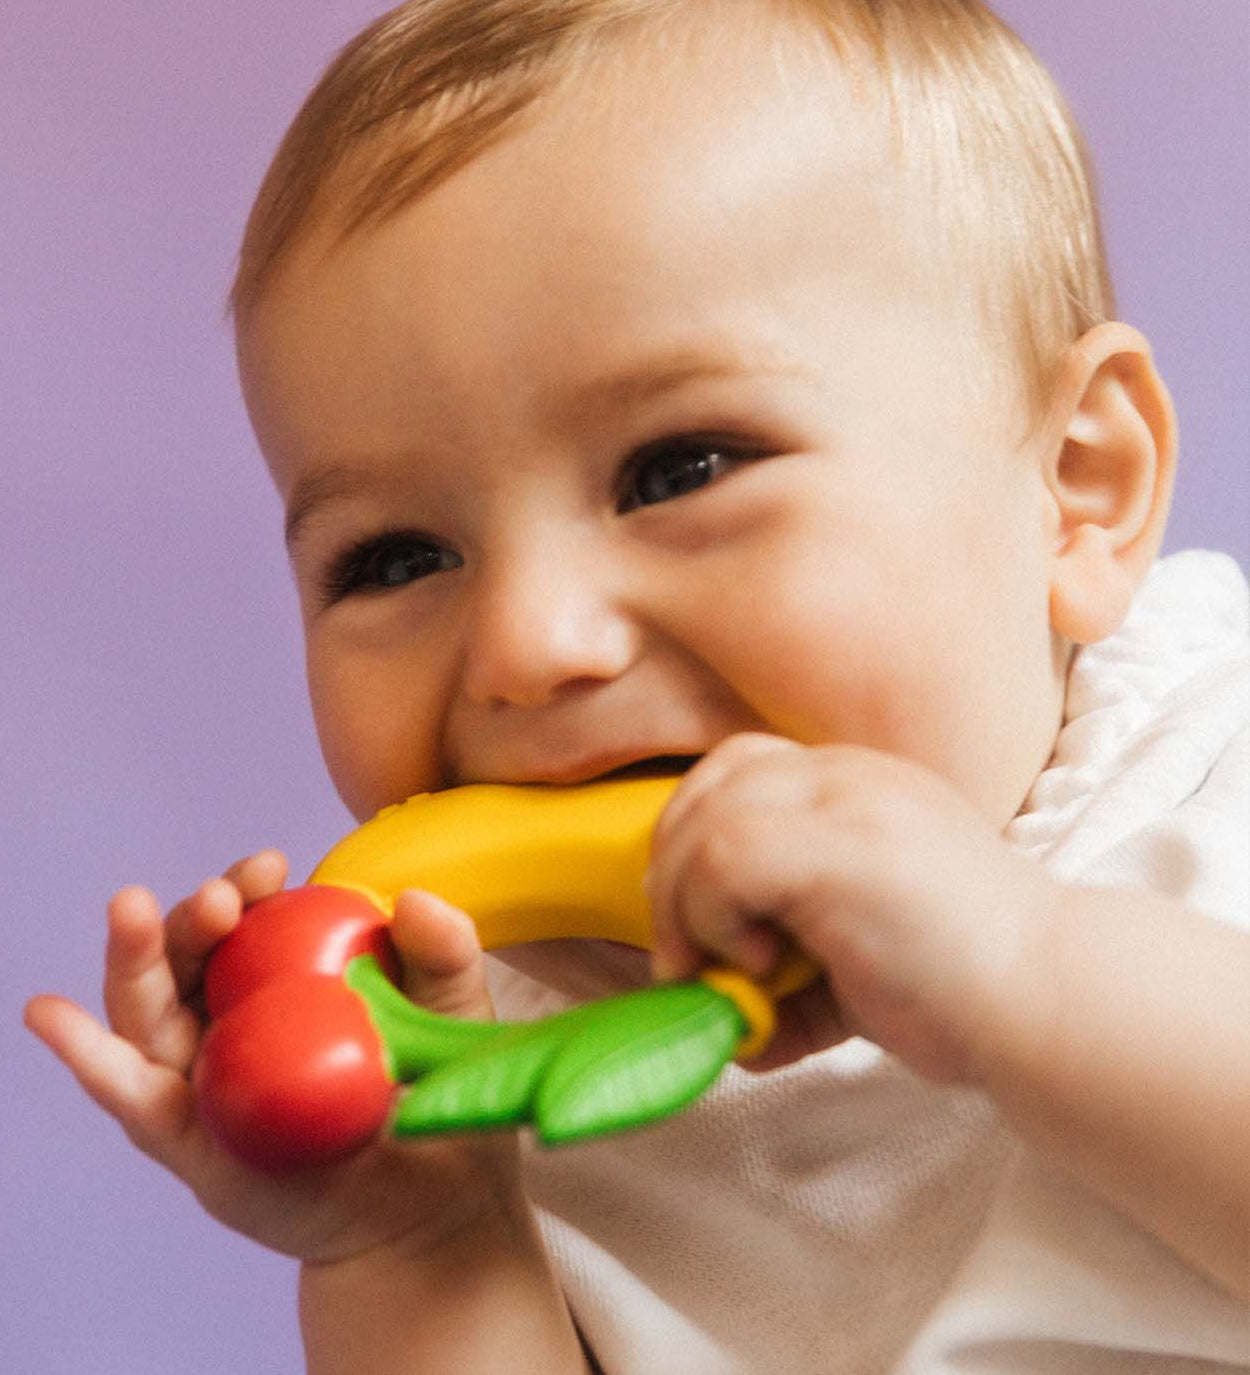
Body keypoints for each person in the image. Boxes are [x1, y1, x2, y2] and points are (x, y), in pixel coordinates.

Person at [25, 0, 1249, 1370]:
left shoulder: (1212, 776)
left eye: (680, 469)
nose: (526, 643)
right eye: (393, 556)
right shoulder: (491, 1062)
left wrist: (1016, 959)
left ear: (1077, 488)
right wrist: (415, 1244)